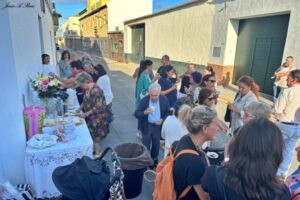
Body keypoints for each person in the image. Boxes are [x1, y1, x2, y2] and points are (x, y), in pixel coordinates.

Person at [201, 118, 291, 200]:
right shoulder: (282, 193)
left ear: (239, 145)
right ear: (277, 152)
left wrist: (227, 160)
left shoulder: (214, 175)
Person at [173, 105, 219, 200]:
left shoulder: (186, 139)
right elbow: (205, 197)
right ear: (205, 128)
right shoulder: (194, 162)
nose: (218, 129)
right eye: (216, 125)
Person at [134, 83, 170, 168]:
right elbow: (136, 114)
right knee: (145, 145)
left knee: (156, 145)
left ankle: (154, 160)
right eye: (151, 95)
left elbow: (168, 112)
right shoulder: (145, 100)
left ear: (160, 93)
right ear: (149, 93)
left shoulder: (164, 99)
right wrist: (145, 112)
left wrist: (162, 119)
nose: (153, 97)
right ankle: (146, 161)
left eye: (156, 95)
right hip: (147, 126)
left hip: (157, 127)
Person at [75, 72, 108, 157]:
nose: (80, 86)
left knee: (95, 138)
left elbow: (98, 106)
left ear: (85, 82)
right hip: (92, 118)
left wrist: (85, 114)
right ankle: (97, 153)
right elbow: (85, 100)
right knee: (92, 137)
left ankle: (98, 155)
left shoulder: (96, 90)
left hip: (98, 118)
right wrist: (79, 109)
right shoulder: (87, 89)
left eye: (81, 84)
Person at [275, 69, 300, 177]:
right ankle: (282, 174)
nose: (286, 79)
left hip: (284, 125)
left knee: (275, 149)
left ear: (294, 79)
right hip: (297, 126)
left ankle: (269, 173)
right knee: (289, 151)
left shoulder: (286, 91)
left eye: (289, 77)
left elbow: (277, 110)